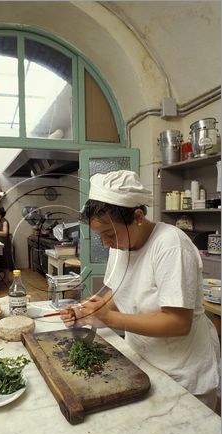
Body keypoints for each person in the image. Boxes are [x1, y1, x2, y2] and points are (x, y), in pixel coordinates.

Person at [61, 170, 220, 410]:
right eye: (100, 236)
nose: (106, 244)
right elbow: (119, 294)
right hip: (142, 364)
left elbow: (178, 323)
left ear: (137, 216)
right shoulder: (120, 245)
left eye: (109, 234)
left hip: (181, 371)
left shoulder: (170, 246)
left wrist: (110, 318)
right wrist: (85, 311)